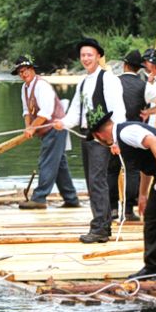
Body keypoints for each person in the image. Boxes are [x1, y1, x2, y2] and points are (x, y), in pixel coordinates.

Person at [88, 110, 156, 279]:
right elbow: (146, 163)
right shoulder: (121, 139)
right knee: (151, 217)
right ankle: (152, 266)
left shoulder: (126, 132)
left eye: (95, 139)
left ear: (99, 134)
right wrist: (143, 195)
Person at [53, 37, 127, 243]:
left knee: (97, 181)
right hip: (87, 136)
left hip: (103, 139)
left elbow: (118, 111)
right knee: (92, 181)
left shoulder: (109, 79)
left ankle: (101, 229)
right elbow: (76, 112)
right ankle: (100, 225)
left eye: (89, 55)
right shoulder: (83, 82)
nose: (86, 59)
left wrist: (116, 141)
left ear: (98, 57)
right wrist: (62, 123)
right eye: (83, 55)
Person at [12, 55, 80, 210]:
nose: (24, 74)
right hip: (44, 130)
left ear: (32, 69)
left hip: (55, 128)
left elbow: (46, 112)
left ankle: (39, 198)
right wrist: (27, 127)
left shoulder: (42, 86)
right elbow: (26, 111)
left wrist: (32, 128)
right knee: (59, 164)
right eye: (20, 72)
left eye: (26, 70)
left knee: (47, 162)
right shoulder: (25, 88)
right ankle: (71, 198)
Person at [109, 49, 146, 221]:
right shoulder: (145, 86)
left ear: (124, 65)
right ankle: (129, 210)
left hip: (115, 130)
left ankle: (113, 209)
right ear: (139, 69)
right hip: (135, 132)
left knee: (112, 170)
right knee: (132, 170)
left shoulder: (113, 82)